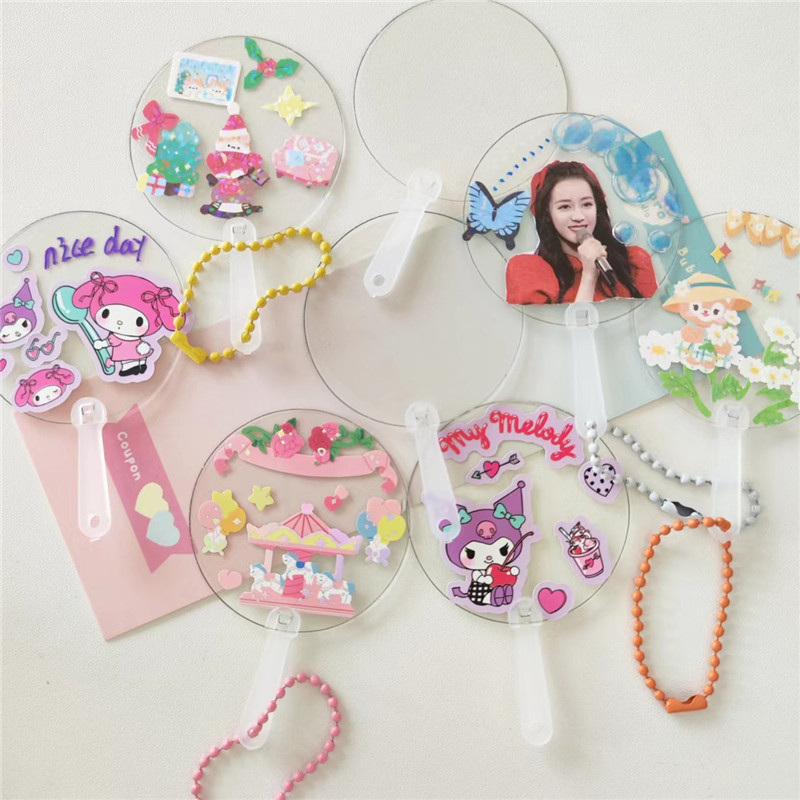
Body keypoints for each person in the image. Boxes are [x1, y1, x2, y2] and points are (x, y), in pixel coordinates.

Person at [505, 161, 657, 305]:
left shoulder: (634, 260)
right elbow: (547, 326)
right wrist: (589, 276)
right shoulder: (529, 270)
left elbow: (652, 319)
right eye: (564, 207)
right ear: (547, 214)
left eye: (587, 204)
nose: (578, 216)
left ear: (598, 208)